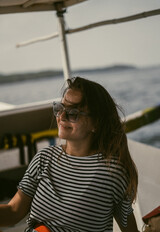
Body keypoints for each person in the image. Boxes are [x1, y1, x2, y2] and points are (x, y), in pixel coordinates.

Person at [0, 77, 139, 232]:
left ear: (96, 123)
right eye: (60, 108)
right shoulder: (43, 158)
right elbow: (13, 211)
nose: (62, 116)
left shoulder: (114, 172)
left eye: (73, 113)